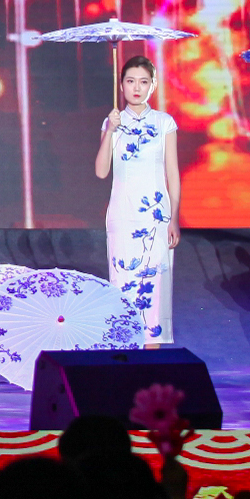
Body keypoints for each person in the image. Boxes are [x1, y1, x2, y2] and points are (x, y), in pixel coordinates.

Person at [93, 55, 181, 345]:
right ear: (121, 85)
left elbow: (172, 173)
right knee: (122, 282)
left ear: (153, 85)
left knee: (155, 286)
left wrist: (174, 218)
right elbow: (101, 171)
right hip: (122, 214)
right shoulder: (112, 122)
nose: (136, 88)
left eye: (143, 82)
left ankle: (150, 353)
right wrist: (110, 131)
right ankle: (127, 349)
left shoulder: (164, 123)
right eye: (130, 81)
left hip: (156, 216)